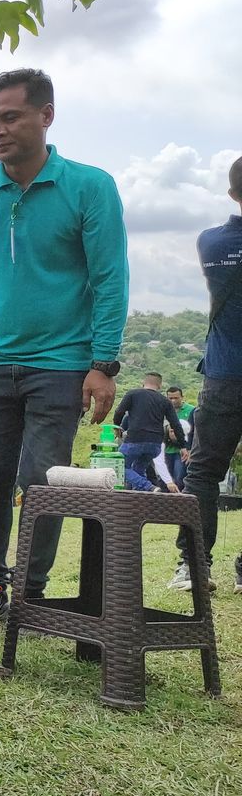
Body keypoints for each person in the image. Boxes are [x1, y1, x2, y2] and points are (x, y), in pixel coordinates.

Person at [0, 69, 129, 610]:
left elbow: (110, 277)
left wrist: (104, 363)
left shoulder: (90, 186)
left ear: (46, 116)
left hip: (64, 364)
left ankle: (29, 591)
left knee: (43, 484)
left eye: (10, 117)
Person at [176, 155, 242, 594]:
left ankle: (194, 568)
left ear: (232, 192)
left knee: (203, 472)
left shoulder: (211, 242)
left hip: (223, 374)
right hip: (223, 372)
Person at [113, 373, 186, 492]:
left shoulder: (133, 394)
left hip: (135, 440)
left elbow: (119, 412)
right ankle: (140, 500)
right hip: (155, 444)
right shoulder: (164, 401)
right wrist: (183, 446)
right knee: (139, 469)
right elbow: (176, 424)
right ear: (160, 385)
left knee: (118, 465)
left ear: (143, 382)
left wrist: (117, 427)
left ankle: (148, 487)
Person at [164, 387, 195, 489]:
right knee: (165, 480)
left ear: (182, 397)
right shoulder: (163, 410)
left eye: (176, 398)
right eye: (170, 398)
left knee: (179, 479)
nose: (173, 401)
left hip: (182, 451)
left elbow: (193, 431)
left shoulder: (191, 410)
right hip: (166, 449)